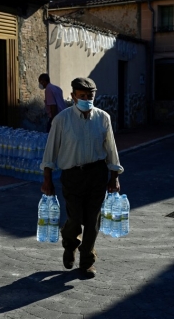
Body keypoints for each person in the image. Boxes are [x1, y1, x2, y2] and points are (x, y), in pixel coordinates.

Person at [40, 77, 124, 279]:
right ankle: (70, 245)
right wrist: (47, 178)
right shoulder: (62, 120)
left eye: (90, 96)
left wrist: (114, 175)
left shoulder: (103, 118)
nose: (86, 99)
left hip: (97, 174)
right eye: (82, 96)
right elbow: (50, 152)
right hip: (72, 176)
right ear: (73, 97)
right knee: (75, 218)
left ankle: (87, 261)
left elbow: (111, 148)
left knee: (93, 221)